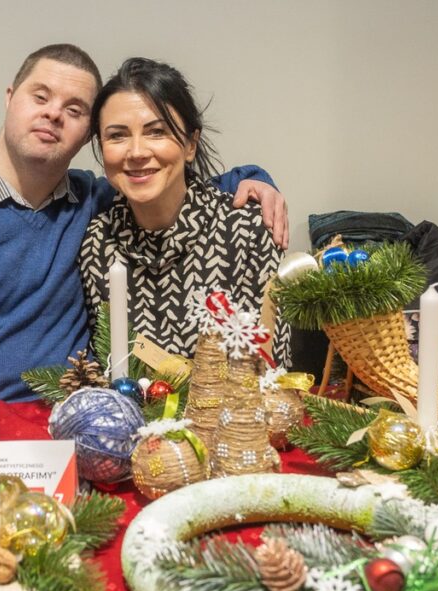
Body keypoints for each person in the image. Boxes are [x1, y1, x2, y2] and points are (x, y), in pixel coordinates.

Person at [0, 45, 288, 404]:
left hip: (76, 426)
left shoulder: (92, 204)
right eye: (40, 97)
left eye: (74, 109)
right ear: (10, 97)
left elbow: (168, 182)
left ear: (87, 134)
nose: (53, 114)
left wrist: (253, 180)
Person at [79, 58, 290, 365]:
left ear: (191, 144)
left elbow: (274, 373)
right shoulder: (96, 244)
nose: (137, 152)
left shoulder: (247, 231)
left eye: (156, 131)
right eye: (117, 136)